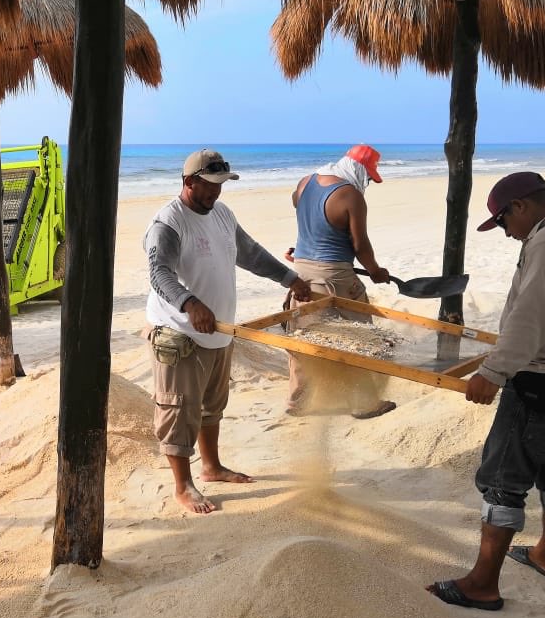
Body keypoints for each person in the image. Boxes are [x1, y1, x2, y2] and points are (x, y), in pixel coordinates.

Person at [427, 172, 545, 611]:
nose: (508, 234)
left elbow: (530, 319)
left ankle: (482, 585)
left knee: (501, 483)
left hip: (542, 380)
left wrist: (493, 372)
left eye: (503, 222)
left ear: (521, 207)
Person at [144, 149, 313, 514]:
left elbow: (249, 253)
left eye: (221, 186)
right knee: (179, 410)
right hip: (180, 333)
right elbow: (159, 275)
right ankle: (182, 485)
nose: (216, 194)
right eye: (209, 186)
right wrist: (190, 303)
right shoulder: (168, 223)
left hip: (219, 330)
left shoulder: (221, 214)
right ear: (189, 182)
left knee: (211, 406)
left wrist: (290, 278)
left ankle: (211, 467)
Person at [284, 144, 396, 419]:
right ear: (358, 169)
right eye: (368, 176)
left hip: (302, 274)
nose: (367, 182)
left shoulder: (304, 183)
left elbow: (309, 222)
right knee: (359, 336)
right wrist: (376, 271)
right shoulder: (350, 196)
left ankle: (297, 401)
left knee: (303, 337)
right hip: (336, 277)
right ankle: (363, 402)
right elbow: (360, 246)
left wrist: (301, 250)